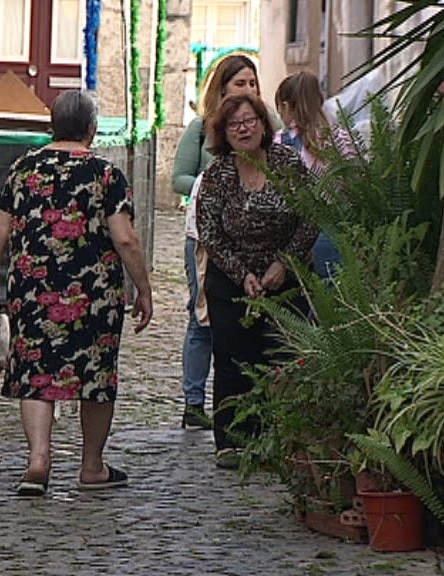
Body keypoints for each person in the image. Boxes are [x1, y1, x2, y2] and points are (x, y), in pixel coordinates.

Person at [0, 90, 154, 497]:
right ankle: (92, 466)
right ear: (92, 128)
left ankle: (38, 459)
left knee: (36, 370)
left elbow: (0, 230)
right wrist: (143, 289)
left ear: (52, 126)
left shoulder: (23, 169)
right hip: (93, 294)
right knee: (96, 373)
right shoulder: (106, 174)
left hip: (32, 289)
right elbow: (125, 239)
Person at [196, 93, 317, 469]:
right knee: (232, 359)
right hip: (231, 281)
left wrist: (284, 263)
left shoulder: (288, 164)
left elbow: (310, 217)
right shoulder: (218, 174)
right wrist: (242, 274)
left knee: (283, 358)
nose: (243, 129)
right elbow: (209, 231)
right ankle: (232, 441)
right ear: (224, 133)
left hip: (285, 279)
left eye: (250, 121)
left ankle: (281, 440)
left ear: (264, 125)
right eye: (234, 124)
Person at [170, 54, 262, 429]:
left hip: (250, 239)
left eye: (252, 83)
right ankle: (194, 402)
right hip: (205, 235)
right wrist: (215, 185)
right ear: (222, 89)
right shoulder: (200, 129)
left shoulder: (262, 127)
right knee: (202, 317)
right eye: (240, 83)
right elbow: (178, 177)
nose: (248, 90)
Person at [274, 71, 351, 282]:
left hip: (295, 236)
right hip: (337, 230)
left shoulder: (279, 143)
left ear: (286, 106)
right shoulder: (341, 138)